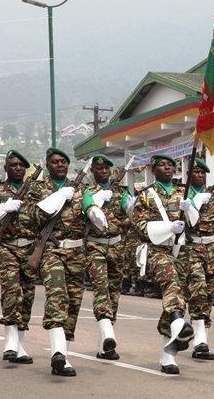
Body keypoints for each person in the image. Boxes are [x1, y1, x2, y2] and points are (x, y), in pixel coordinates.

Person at [25, 147, 105, 377]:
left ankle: (64, 356)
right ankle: (57, 352)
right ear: (48, 166)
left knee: (73, 304)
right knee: (57, 296)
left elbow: (90, 208)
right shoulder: (38, 189)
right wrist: (58, 197)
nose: (59, 165)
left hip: (77, 254)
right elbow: (33, 217)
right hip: (51, 251)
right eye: (55, 162)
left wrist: (96, 213)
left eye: (63, 161)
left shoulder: (81, 189)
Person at [131, 154, 196, 375]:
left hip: (181, 251)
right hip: (157, 250)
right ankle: (179, 325)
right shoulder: (147, 195)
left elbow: (196, 224)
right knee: (172, 284)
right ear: (153, 169)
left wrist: (189, 210)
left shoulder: (183, 193)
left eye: (170, 165)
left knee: (176, 295)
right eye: (162, 165)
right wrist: (169, 228)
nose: (167, 168)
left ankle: (168, 354)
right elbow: (139, 225)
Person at [0, 150, 37, 365]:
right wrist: (3, 207)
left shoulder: (35, 190)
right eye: (13, 165)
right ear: (6, 168)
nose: (18, 168)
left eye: (21, 165)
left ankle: (19, 345)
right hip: (7, 248)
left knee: (27, 296)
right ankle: (9, 343)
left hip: (30, 249)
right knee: (11, 292)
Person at [83, 154, 132, 360]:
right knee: (101, 288)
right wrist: (96, 201)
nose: (104, 171)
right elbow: (89, 211)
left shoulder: (121, 191)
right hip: (96, 246)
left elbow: (130, 212)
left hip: (117, 247)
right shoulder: (86, 191)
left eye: (106, 168)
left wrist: (129, 204)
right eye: (99, 168)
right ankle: (109, 335)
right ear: (93, 171)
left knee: (113, 294)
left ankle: (104, 345)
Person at [180, 157, 214, 360]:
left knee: (209, 294)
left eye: (202, 173)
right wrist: (194, 204)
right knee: (197, 290)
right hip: (192, 248)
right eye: (195, 172)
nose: (199, 175)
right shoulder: (183, 195)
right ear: (189, 174)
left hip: (213, 249)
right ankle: (200, 342)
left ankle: (203, 334)